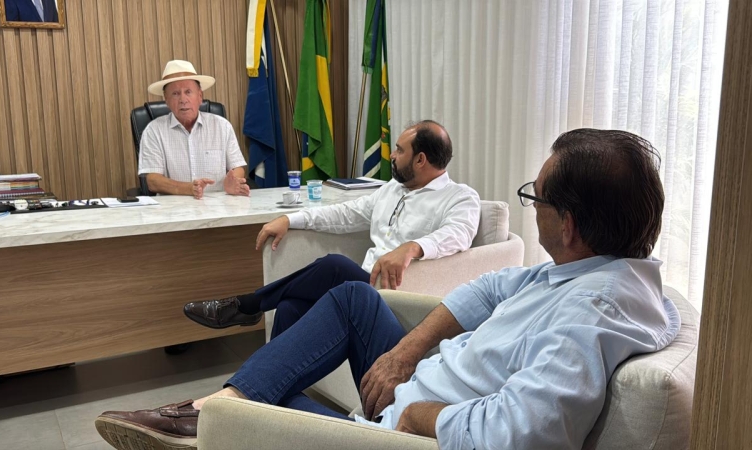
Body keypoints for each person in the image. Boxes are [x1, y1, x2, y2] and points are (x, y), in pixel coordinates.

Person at [95, 128, 680, 450]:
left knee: (261, 393)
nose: (532, 208)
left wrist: (418, 416)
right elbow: (490, 287)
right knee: (343, 295)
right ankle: (218, 404)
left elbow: (518, 435)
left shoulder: (590, 310)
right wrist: (405, 353)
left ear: (569, 225)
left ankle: (210, 413)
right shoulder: (585, 270)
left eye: (537, 198)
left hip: (401, 432)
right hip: (409, 385)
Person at [181, 120, 482, 336]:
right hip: (363, 285)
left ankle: (248, 305)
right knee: (289, 306)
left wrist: (412, 247)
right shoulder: (391, 189)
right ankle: (270, 392)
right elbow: (346, 214)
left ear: (420, 160)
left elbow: (459, 234)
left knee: (335, 266)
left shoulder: (460, 197)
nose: (391, 155)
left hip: (397, 295)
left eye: (399, 151)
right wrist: (291, 219)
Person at [139, 60, 250, 199]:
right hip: (173, 208)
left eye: (188, 92)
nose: (183, 99)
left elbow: (237, 167)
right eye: (175, 93)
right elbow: (153, 181)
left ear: (200, 96)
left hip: (218, 205)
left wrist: (233, 181)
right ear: (166, 100)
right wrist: (189, 189)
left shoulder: (222, 126)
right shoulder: (154, 130)